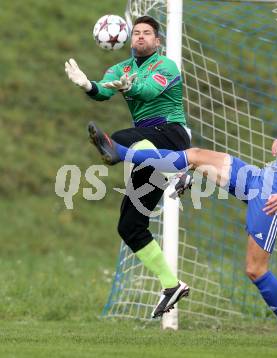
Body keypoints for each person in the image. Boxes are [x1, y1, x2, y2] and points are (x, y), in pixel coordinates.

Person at [88, 76, 277, 348]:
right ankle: (120, 153)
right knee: (196, 156)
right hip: (257, 178)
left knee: (255, 269)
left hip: (270, 201)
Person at [64, 16, 193, 318]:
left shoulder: (166, 66)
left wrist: (130, 87)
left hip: (172, 135)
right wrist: (87, 85)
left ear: (157, 41)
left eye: (147, 33)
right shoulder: (120, 68)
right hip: (146, 148)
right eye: (136, 33)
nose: (140, 37)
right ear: (127, 38)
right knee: (129, 226)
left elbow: (148, 92)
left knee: (121, 138)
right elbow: (104, 90)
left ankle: (178, 170)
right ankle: (171, 285)